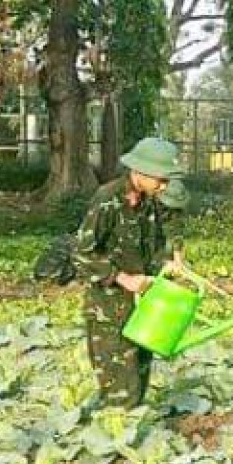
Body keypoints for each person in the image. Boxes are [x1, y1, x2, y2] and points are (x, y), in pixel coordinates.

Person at [76, 138, 180, 408]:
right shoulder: (107, 200)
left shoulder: (150, 203)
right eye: (161, 179)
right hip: (108, 310)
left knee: (140, 377)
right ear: (140, 173)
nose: (165, 186)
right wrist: (123, 278)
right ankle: (113, 445)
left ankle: (130, 439)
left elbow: (153, 248)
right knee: (119, 389)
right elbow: (81, 253)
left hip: (144, 307)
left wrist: (165, 264)